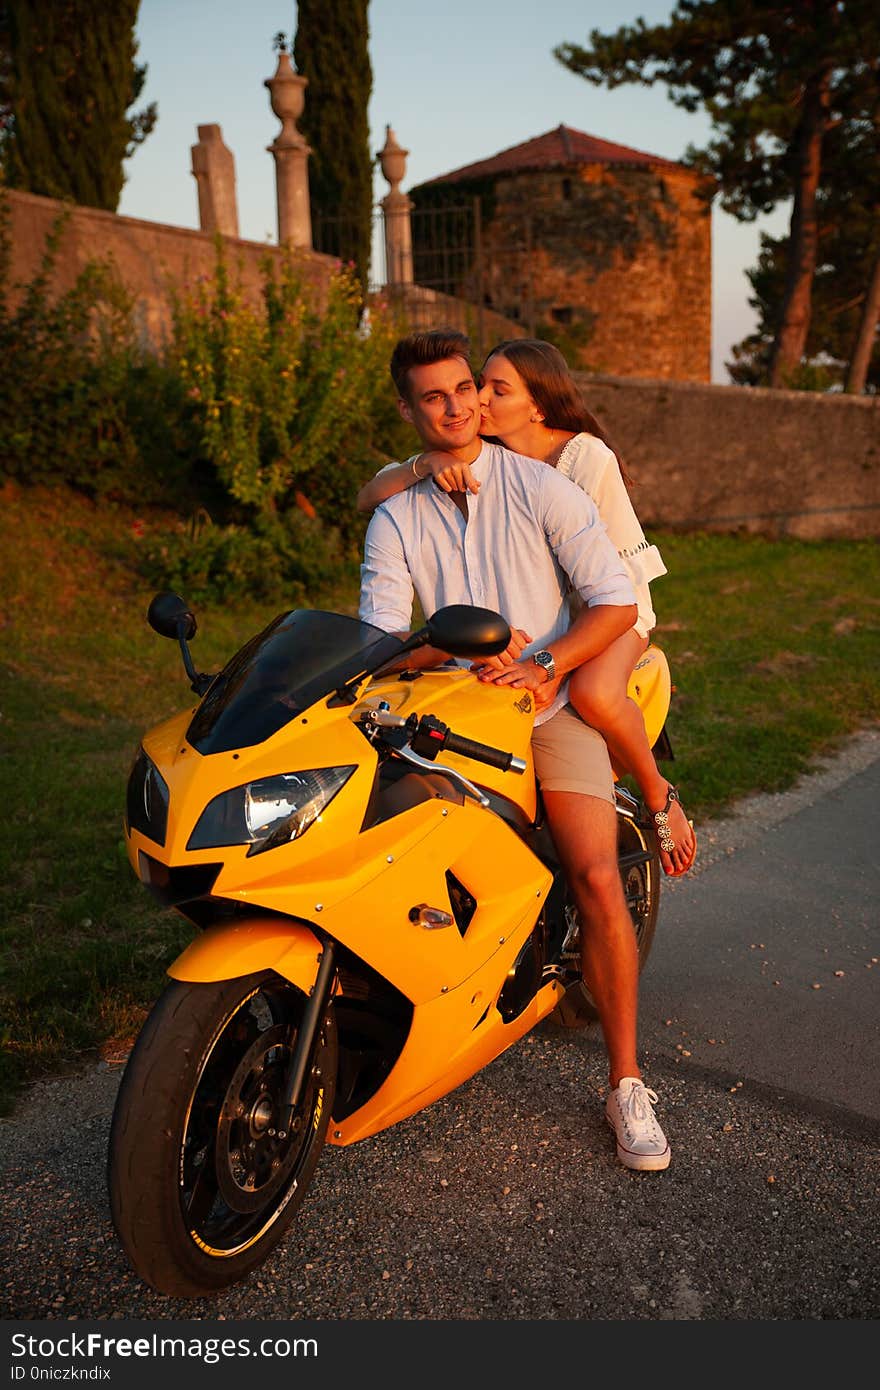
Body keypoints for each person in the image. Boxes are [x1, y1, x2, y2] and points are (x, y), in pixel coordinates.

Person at [359, 327, 672, 1171]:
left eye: (467, 389)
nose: (457, 406)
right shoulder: (396, 516)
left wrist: (543, 663)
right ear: (410, 408)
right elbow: (381, 640)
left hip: (550, 707)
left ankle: (627, 1084)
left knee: (597, 871)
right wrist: (444, 650)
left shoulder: (542, 486)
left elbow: (613, 602)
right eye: (435, 396)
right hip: (447, 715)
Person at [357, 338, 696, 878]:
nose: (479, 402)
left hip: (615, 605)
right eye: (479, 384)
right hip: (555, 614)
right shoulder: (481, 455)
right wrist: (428, 463)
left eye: (495, 389)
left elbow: (610, 593)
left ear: (537, 404)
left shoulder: (582, 456)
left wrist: (548, 660)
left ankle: (658, 794)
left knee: (589, 692)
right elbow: (370, 496)